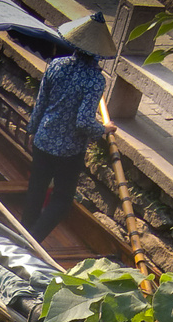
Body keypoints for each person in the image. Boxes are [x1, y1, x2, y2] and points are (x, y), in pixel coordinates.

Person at [22, 13, 118, 243]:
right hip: (69, 151)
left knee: (35, 191)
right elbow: (83, 122)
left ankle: (23, 237)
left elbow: (41, 103)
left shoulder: (56, 65)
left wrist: (31, 130)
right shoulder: (95, 79)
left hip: (43, 139)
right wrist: (104, 129)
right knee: (62, 200)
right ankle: (33, 240)